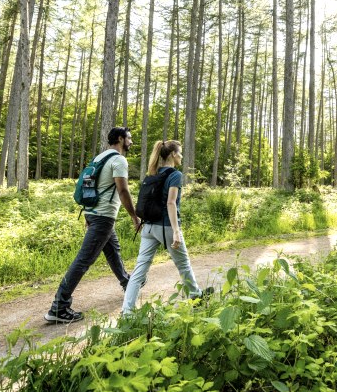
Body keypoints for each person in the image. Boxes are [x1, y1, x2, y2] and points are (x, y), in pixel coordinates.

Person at [45, 127, 141, 323]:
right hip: (103, 216)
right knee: (83, 260)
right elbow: (123, 191)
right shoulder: (119, 160)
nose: (131, 142)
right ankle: (59, 307)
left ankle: (127, 283)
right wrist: (134, 216)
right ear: (121, 139)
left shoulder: (100, 157)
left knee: (113, 251)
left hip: (92, 213)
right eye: (129, 138)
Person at [122, 140, 213, 315]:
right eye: (179, 153)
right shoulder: (175, 175)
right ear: (172, 154)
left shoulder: (152, 174)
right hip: (166, 227)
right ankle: (195, 296)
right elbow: (171, 203)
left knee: (139, 270)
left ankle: (127, 312)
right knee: (183, 264)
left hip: (148, 227)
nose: (181, 156)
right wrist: (176, 231)